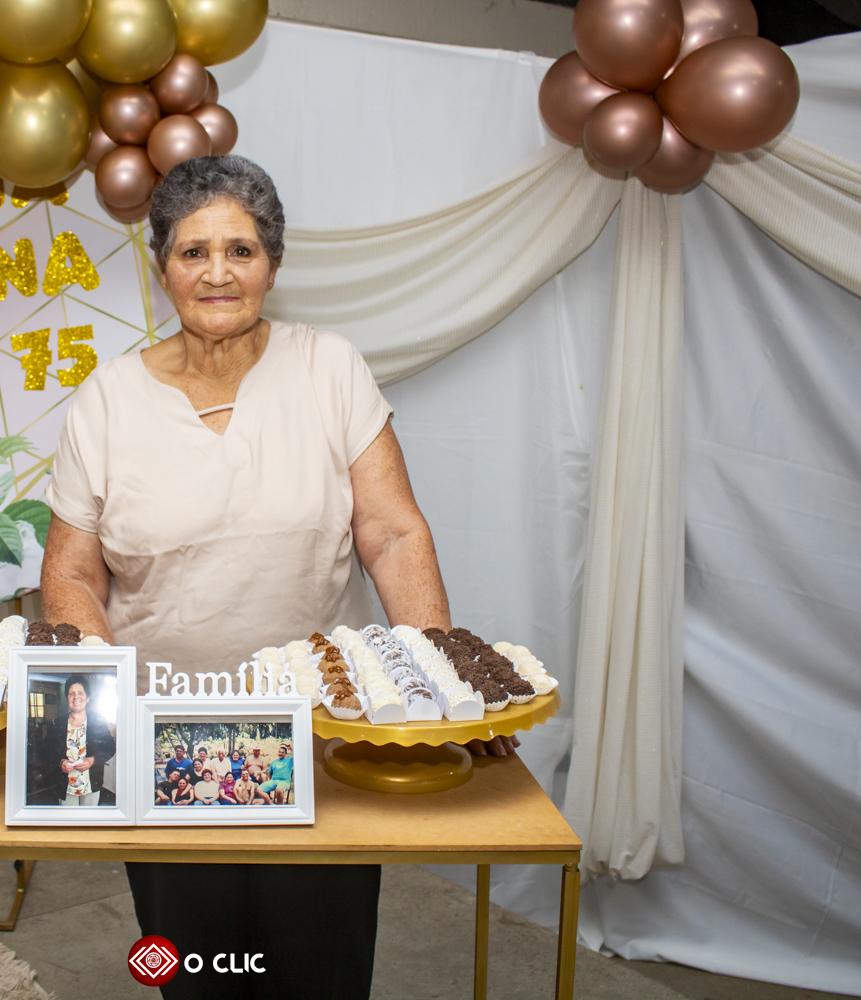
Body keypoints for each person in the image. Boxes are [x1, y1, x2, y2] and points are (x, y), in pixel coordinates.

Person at [42, 154, 515, 999]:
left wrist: (438, 681)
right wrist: (96, 725)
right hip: (164, 750)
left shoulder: (330, 368)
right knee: (199, 972)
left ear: (273, 264)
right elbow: (73, 572)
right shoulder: (106, 399)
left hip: (322, 740)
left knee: (317, 971)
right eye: (192, 252)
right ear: (161, 267)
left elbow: (392, 532)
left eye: (241, 250)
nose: (217, 273)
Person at [37, 675, 114, 807]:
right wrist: (60, 762)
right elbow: (45, 751)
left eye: (80, 693)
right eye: (71, 694)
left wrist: (92, 760)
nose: (75, 697)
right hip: (65, 787)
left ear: (87, 698)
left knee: (88, 819)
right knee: (68, 819)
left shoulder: (98, 721)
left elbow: (110, 747)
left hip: (91, 785)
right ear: (67, 698)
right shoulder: (57, 724)